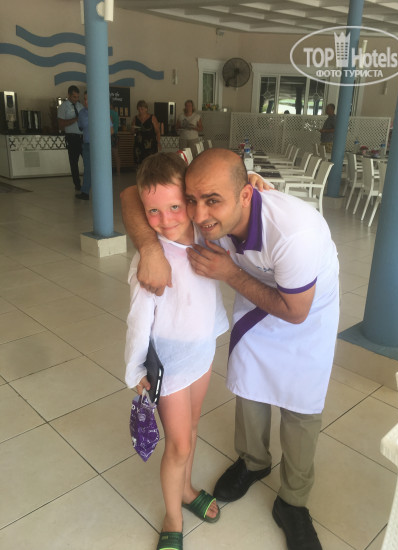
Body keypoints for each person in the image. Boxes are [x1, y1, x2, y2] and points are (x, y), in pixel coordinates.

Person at [120, 148, 339, 550]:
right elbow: (135, 193)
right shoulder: (199, 223)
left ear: (245, 196)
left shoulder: (294, 232)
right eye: (193, 200)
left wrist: (230, 273)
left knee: (300, 404)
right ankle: (252, 463)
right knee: (249, 387)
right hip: (238, 316)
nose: (201, 215)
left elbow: (295, 311)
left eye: (212, 201)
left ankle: (293, 502)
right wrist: (150, 249)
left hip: (304, 314)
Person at [124, 152, 228, 550]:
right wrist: (136, 369)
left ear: (189, 201)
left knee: (194, 427)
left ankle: (186, 490)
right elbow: (138, 320)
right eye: (153, 211)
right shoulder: (150, 259)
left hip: (202, 352)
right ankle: (172, 516)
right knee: (179, 444)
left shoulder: (204, 236)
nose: (165, 219)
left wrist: (256, 181)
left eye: (173, 207)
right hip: (168, 365)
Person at [76, 91, 113, 201]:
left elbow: (111, 130)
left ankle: (102, 193)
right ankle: (85, 192)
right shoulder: (82, 113)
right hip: (87, 145)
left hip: (100, 146)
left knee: (101, 169)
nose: (86, 101)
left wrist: (100, 138)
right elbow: (81, 127)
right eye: (85, 99)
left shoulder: (102, 112)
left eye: (88, 99)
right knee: (88, 168)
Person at [58, 85, 84, 191]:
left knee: (87, 160)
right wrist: (75, 119)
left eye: (77, 97)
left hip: (82, 137)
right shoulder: (63, 107)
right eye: (74, 97)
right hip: (72, 137)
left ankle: (88, 183)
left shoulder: (80, 106)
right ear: (69, 95)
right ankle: (77, 184)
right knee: (74, 162)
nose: (76, 99)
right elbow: (61, 125)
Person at [131, 100, 161, 168]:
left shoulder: (152, 118)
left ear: (146, 109)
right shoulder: (135, 118)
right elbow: (132, 132)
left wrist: (158, 142)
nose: (140, 111)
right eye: (139, 109)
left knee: (151, 163)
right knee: (139, 163)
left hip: (150, 144)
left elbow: (157, 132)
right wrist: (133, 129)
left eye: (142, 109)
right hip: (139, 144)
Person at [110, 100, 120, 175]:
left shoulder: (109, 112)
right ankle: (118, 172)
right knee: (116, 154)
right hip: (116, 135)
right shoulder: (116, 113)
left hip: (110, 135)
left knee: (108, 155)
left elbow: (110, 122)